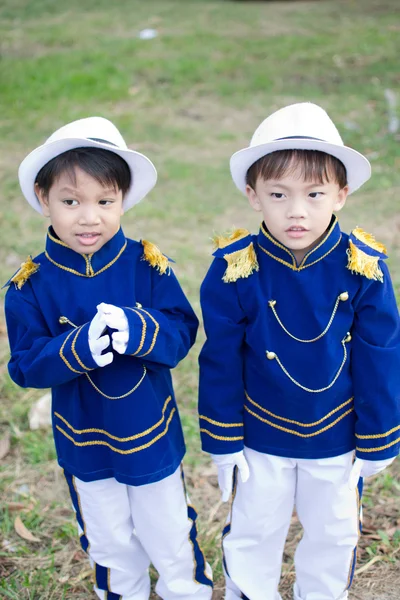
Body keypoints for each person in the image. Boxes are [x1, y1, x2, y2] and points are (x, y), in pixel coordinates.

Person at [4, 117, 213, 600]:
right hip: (84, 438)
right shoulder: (30, 285)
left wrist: (138, 328)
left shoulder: (146, 263)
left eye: (105, 202)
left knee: (167, 529)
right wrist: (78, 348)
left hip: (149, 432)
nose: (89, 217)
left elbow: (182, 333)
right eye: (70, 202)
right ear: (43, 199)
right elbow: (25, 366)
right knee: (109, 535)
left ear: (123, 200)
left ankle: (187, 591)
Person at [198, 102, 400, 600]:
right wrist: (223, 438)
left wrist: (379, 437)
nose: (296, 210)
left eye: (314, 194)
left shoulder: (364, 267)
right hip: (260, 431)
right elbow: (220, 359)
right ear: (253, 195)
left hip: (337, 434)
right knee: (254, 530)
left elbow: (380, 354)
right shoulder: (233, 268)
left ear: (341, 195)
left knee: (334, 534)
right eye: (278, 194)